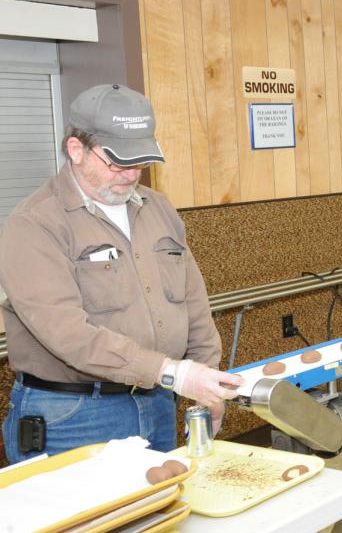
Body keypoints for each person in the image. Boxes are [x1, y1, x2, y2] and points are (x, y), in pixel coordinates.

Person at [0, 84, 243, 464]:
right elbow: (68, 334)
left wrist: (204, 378)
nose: (131, 175)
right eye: (117, 162)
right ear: (76, 150)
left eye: (140, 162)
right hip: (75, 416)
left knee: (159, 519)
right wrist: (173, 373)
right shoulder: (34, 225)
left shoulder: (158, 209)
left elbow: (192, 303)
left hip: (157, 401)